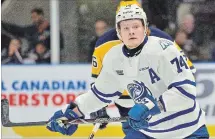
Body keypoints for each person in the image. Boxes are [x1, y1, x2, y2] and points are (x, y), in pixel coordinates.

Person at [46, 4, 209, 139]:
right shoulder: (114, 58)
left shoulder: (164, 49)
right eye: (126, 27)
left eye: (136, 26)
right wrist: (72, 112)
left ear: (145, 28)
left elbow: (186, 93)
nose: (131, 31)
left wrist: (150, 106)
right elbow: (99, 95)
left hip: (188, 131)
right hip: (150, 134)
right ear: (119, 32)